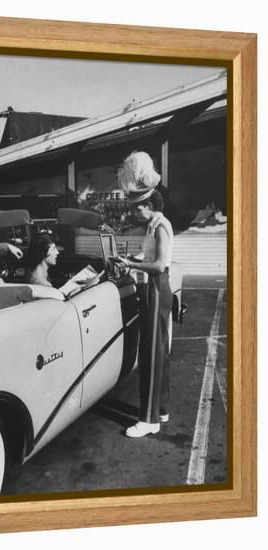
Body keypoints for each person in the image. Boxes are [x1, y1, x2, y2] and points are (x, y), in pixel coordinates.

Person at [117, 151, 174, 438]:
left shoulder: (161, 226)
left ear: (150, 205)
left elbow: (160, 265)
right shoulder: (154, 225)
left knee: (150, 353)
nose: (134, 212)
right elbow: (152, 256)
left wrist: (131, 264)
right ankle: (161, 410)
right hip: (156, 287)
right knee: (159, 351)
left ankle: (149, 420)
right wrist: (137, 256)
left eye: (138, 207)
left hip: (155, 286)